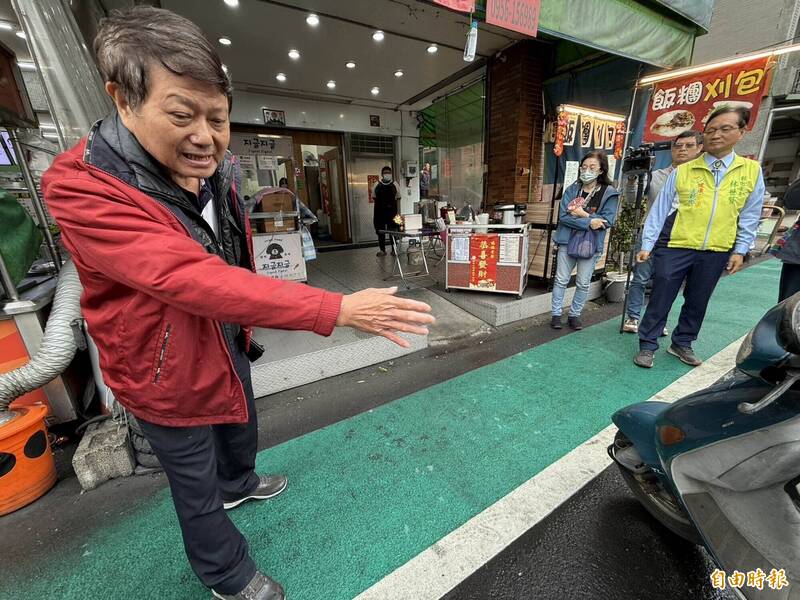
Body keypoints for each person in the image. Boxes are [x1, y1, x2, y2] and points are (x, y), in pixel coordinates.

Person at [41, 7, 434, 600]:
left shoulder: (212, 171)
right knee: (193, 482)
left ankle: (241, 479)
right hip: (160, 365)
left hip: (226, 335)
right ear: (123, 101)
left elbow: (231, 257)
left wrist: (248, 317)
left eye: (218, 119)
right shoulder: (83, 187)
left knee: (239, 421)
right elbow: (188, 277)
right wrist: (335, 309)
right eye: (182, 115)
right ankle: (226, 573)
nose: (205, 136)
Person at [633, 106, 765, 369]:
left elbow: (751, 213)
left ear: (741, 132)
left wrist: (740, 249)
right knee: (661, 295)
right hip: (676, 244)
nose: (716, 135)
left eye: (725, 128)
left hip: (717, 247)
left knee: (698, 299)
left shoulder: (750, 171)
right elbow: (659, 211)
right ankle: (647, 344)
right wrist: (647, 244)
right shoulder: (683, 171)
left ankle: (682, 342)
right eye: (712, 130)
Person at [623, 131, 703, 333]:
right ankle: (633, 317)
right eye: (678, 145)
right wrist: (633, 180)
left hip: (680, 237)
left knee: (667, 281)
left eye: (689, 145)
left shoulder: (702, 179)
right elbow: (633, 200)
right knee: (640, 278)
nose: (682, 149)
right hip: (651, 233)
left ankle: (658, 319)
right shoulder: (656, 176)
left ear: (700, 148)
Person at [551, 151, 620, 330]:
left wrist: (582, 214)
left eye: (592, 167)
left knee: (582, 282)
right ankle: (556, 314)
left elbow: (607, 221)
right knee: (560, 280)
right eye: (584, 167)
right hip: (567, 241)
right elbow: (563, 217)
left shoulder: (609, 193)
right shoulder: (572, 189)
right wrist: (590, 221)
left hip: (590, 245)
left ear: (601, 170)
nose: (586, 170)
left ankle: (574, 315)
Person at [373, 165, 401, 256]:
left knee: (394, 231)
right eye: (385, 173)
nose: (387, 174)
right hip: (379, 212)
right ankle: (382, 250)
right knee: (380, 231)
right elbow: (374, 197)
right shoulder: (377, 184)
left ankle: (394, 250)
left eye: (388, 173)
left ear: (391, 174)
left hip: (392, 212)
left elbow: (398, 198)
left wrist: (398, 214)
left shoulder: (395, 184)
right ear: (382, 174)